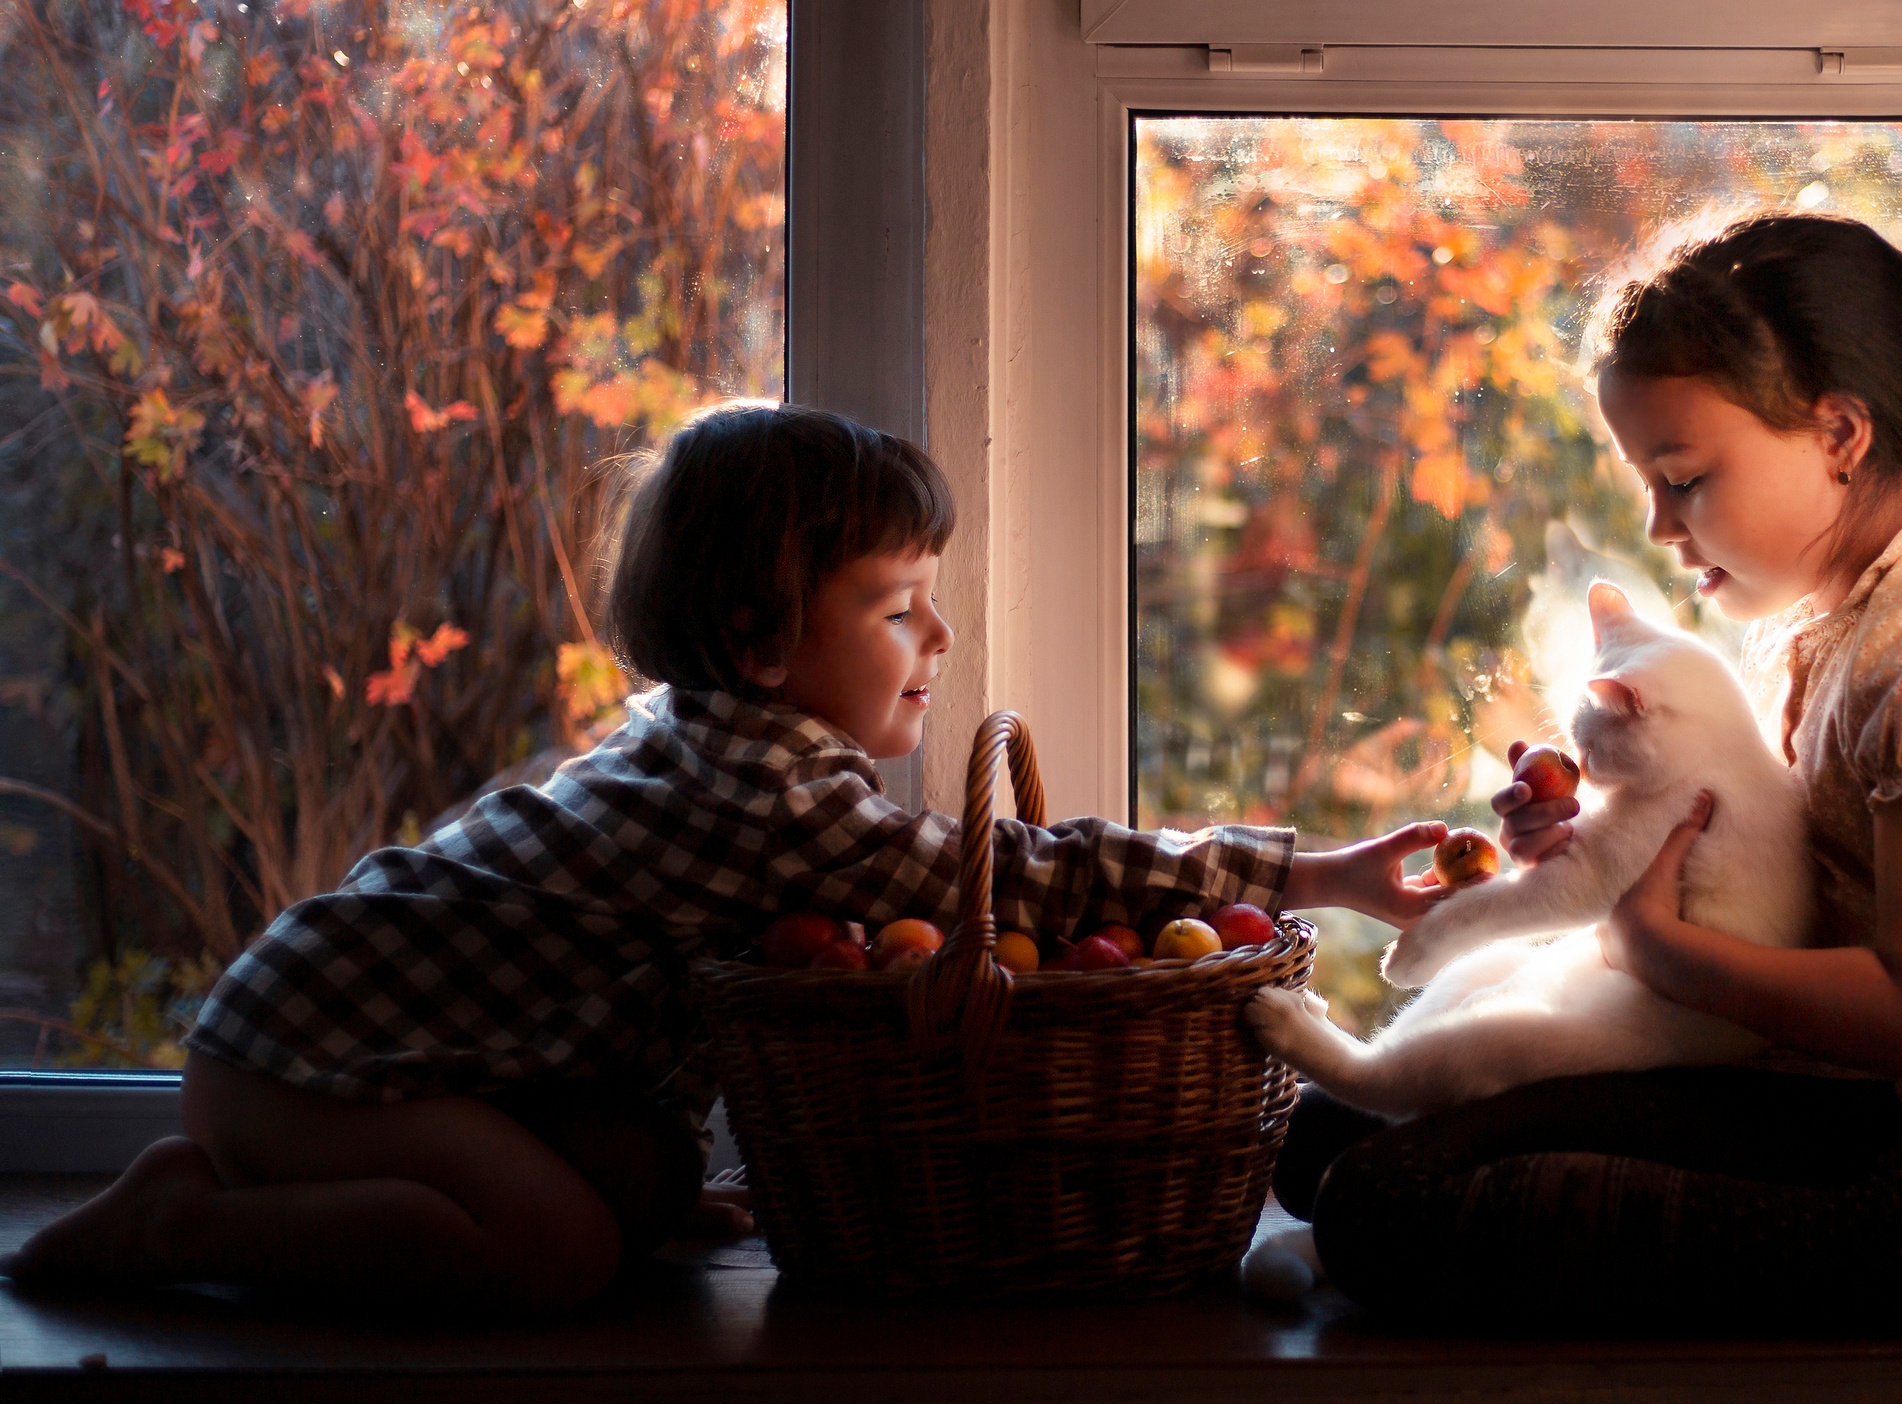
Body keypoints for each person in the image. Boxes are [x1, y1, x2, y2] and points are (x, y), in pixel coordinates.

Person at [6, 402, 1447, 1315]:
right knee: (556, 1257)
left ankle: (252, 1193)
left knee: (639, 1169)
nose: (938, 640)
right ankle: (186, 1219)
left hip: (357, 1038)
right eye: (897, 609)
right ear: (761, 643)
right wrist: (1316, 873)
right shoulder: (769, 797)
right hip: (308, 1058)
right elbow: (1035, 878)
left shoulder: (735, 745)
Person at [1271, 212, 1902, 1336]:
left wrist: (1666, 951)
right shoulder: (1824, 615)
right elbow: (1743, 845)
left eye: (1684, 477)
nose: (1658, 523)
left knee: (1379, 1202)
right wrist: (1601, 835)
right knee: (1319, 1131)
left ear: (1840, 432)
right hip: (1789, 1074)